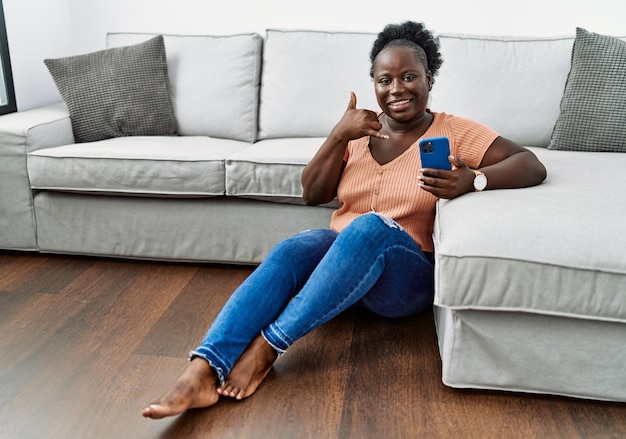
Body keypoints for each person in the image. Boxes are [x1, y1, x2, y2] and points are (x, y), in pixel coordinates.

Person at [142, 21, 546, 419]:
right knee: (294, 247)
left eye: (409, 77)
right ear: (373, 83)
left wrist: (472, 179)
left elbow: (530, 164)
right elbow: (312, 195)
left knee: (369, 226)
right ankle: (201, 369)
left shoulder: (453, 131)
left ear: (430, 78)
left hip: (405, 279)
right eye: (384, 80)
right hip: (342, 265)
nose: (397, 90)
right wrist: (338, 135)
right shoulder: (357, 131)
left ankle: (267, 348)